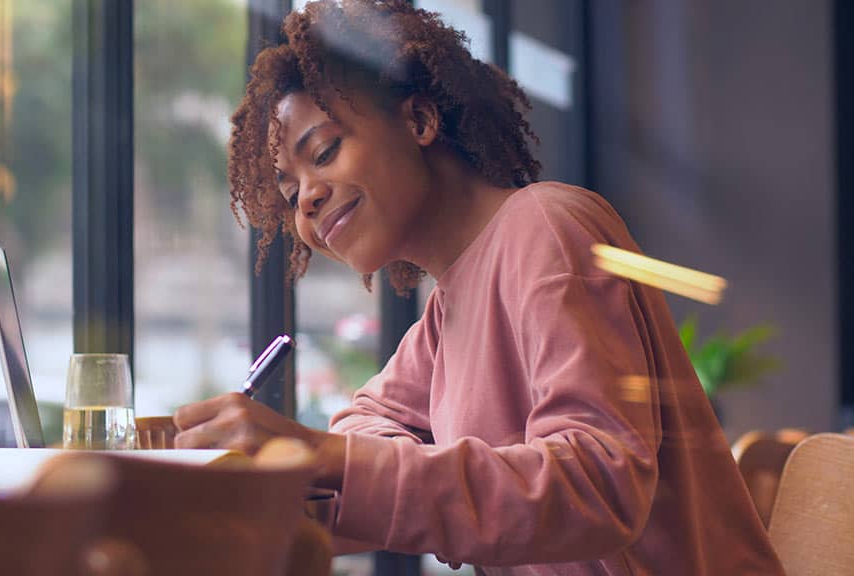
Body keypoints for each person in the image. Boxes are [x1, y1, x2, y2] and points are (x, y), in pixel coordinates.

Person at [172, 1, 784, 573]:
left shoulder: (546, 226)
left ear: (418, 119)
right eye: (288, 193)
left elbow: (601, 486)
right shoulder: (446, 315)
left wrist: (327, 460)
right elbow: (363, 430)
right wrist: (284, 476)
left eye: (325, 151)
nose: (306, 198)